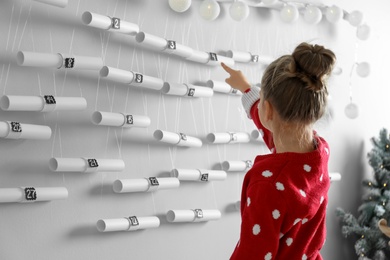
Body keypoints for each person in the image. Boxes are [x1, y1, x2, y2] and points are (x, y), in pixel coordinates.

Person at [221, 42, 336, 260]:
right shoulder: (319, 151)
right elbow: (274, 129)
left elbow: (252, 254)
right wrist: (247, 89)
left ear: (269, 110)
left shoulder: (269, 184)